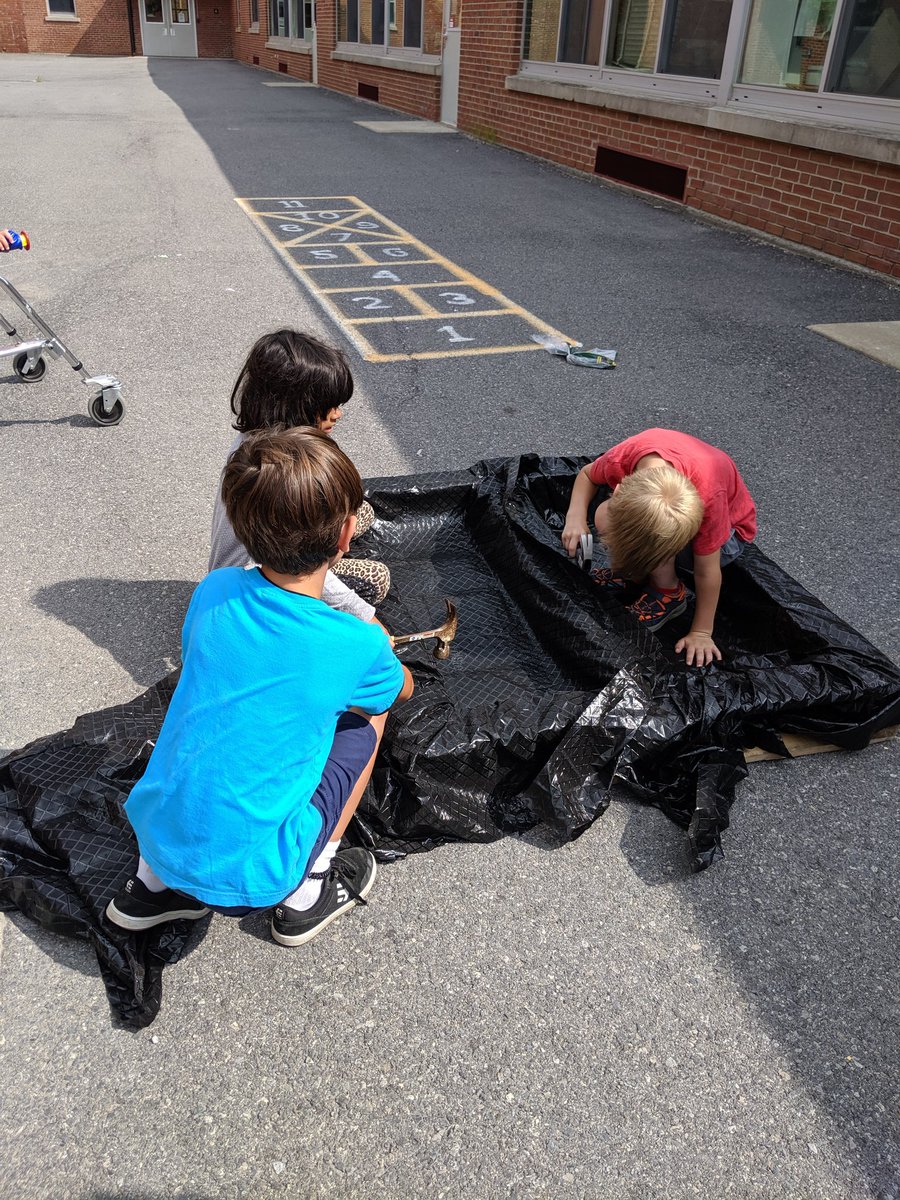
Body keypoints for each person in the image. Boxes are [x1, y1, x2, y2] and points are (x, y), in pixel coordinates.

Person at [107, 427, 414, 946]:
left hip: (157, 835)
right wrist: (377, 652)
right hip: (256, 879)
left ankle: (152, 889)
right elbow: (400, 689)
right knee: (369, 717)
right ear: (346, 536)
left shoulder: (215, 590)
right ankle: (310, 889)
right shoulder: (355, 643)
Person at [209, 328, 390, 619]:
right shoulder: (283, 480)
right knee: (376, 579)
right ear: (295, 407)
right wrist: (365, 617)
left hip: (255, 559)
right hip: (256, 586)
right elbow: (298, 569)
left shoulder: (254, 444)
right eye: (328, 406)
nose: (338, 414)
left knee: (362, 512)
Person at [562, 429, 756, 667]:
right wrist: (576, 518)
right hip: (677, 512)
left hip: (730, 535)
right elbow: (587, 474)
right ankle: (636, 571)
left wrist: (702, 632)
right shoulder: (625, 457)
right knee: (609, 520)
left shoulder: (710, 500)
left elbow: (707, 571)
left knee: (653, 536)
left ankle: (669, 591)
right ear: (618, 488)